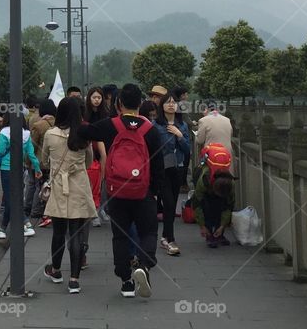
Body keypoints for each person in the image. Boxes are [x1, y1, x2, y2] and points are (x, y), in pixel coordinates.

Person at [78, 83, 164, 299]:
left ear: (118, 104)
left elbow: (84, 131)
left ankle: (126, 281)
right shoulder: (150, 130)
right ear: (140, 104)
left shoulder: (110, 125)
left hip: (117, 190)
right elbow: (159, 167)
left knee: (120, 235)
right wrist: (153, 191)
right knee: (148, 232)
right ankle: (143, 265)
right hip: (142, 191)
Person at [40, 97, 96, 294]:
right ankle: (74, 279)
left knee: (58, 231)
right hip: (79, 185)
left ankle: (56, 270)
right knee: (76, 233)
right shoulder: (84, 134)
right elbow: (89, 162)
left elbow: (44, 161)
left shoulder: (50, 134)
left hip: (58, 186)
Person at [0, 121, 42, 240]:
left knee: (9, 199)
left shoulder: (4, 132)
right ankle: (3, 228)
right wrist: (37, 168)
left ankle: (25, 224)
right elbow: (31, 153)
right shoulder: (26, 134)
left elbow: (0, 151)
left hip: (6, 169)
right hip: (19, 168)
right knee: (14, 198)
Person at [155, 91, 190, 257]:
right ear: (162, 106)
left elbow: (188, 150)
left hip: (178, 167)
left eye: (173, 102)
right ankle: (170, 239)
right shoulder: (156, 126)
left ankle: (164, 236)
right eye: (167, 102)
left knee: (172, 203)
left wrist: (180, 136)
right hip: (163, 169)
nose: (171, 104)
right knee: (168, 203)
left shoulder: (182, 125)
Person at [28, 100, 57, 228]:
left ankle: (35, 211)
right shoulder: (59, 124)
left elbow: (32, 146)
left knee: (37, 186)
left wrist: (29, 162)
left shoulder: (38, 125)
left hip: (40, 161)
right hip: (55, 161)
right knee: (50, 187)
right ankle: (49, 212)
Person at [84, 87, 108, 228]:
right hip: (90, 149)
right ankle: (93, 211)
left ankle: (101, 208)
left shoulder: (105, 114)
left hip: (102, 148)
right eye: (94, 97)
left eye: (99, 97)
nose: (97, 100)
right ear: (89, 98)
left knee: (102, 182)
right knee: (92, 183)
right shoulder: (86, 114)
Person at [193, 170, 235, 248]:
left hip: (217, 190)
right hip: (206, 194)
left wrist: (222, 226)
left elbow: (229, 207)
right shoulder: (203, 182)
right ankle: (209, 234)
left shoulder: (230, 185)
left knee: (223, 205)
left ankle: (219, 234)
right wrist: (202, 226)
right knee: (207, 206)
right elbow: (197, 205)